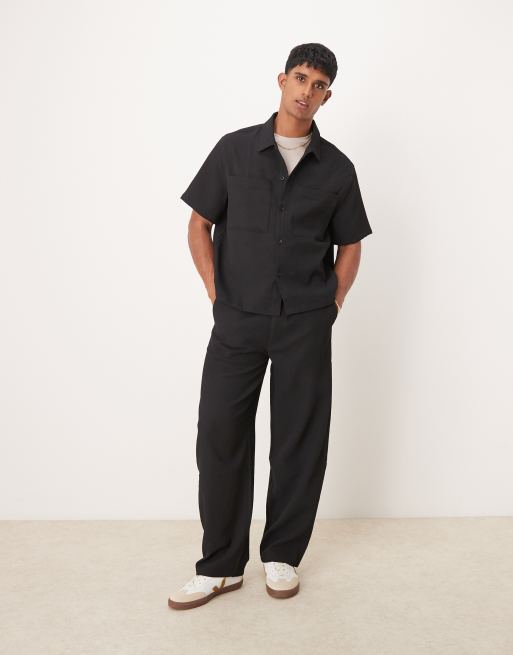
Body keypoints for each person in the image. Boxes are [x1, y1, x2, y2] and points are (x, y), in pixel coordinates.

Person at [168, 42, 372, 610]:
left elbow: (351, 243)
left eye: (319, 86)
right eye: (301, 78)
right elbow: (199, 223)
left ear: (328, 96)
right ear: (282, 80)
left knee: (299, 440)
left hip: (305, 321)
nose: (307, 92)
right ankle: (220, 565)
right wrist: (215, 291)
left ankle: (282, 554)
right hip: (238, 318)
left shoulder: (337, 168)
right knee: (220, 434)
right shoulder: (234, 151)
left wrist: (333, 303)